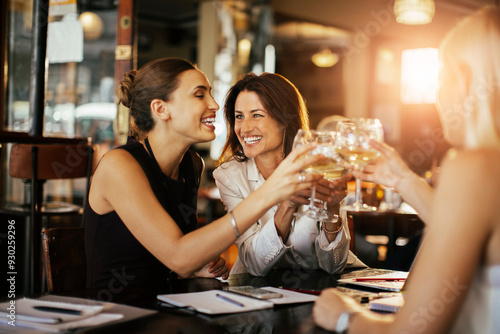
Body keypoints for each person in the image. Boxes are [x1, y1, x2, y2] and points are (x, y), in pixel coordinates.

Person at [313, 6, 500, 334]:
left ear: (467, 81)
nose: (438, 95)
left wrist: (343, 315)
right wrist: (402, 180)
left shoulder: (474, 167)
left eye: (442, 76)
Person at [84, 58, 326, 292]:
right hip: (117, 313)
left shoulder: (191, 164)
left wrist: (198, 265)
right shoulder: (119, 165)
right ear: (161, 109)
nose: (215, 105)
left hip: (170, 306)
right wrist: (271, 192)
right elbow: (178, 256)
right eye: (199, 95)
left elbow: (179, 258)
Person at [213, 72, 352, 276]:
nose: (245, 128)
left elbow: (334, 266)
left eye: (257, 115)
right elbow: (254, 264)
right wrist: (287, 205)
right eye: (239, 116)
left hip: (315, 293)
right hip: (255, 293)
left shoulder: (319, 165)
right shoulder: (229, 176)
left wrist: (332, 208)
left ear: (285, 119)